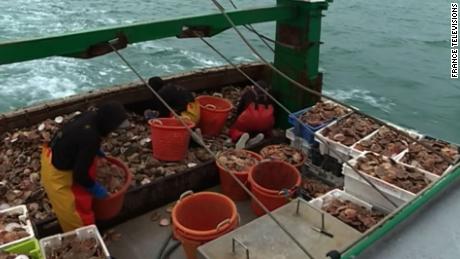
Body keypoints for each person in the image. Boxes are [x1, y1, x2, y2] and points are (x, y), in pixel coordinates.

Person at [40, 102, 129, 232]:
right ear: (108, 124)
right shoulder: (90, 137)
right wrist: (99, 191)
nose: (113, 131)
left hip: (52, 155)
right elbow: (80, 175)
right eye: (114, 128)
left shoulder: (91, 115)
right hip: (57, 178)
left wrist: (95, 152)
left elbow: (74, 137)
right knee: (79, 225)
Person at [229, 80, 275, 149]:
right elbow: (275, 111)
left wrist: (237, 119)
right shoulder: (272, 94)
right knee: (265, 130)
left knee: (234, 130)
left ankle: (240, 136)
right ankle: (260, 136)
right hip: (265, 121)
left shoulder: (248, 93)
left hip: (248, 118)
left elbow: (240, 109)